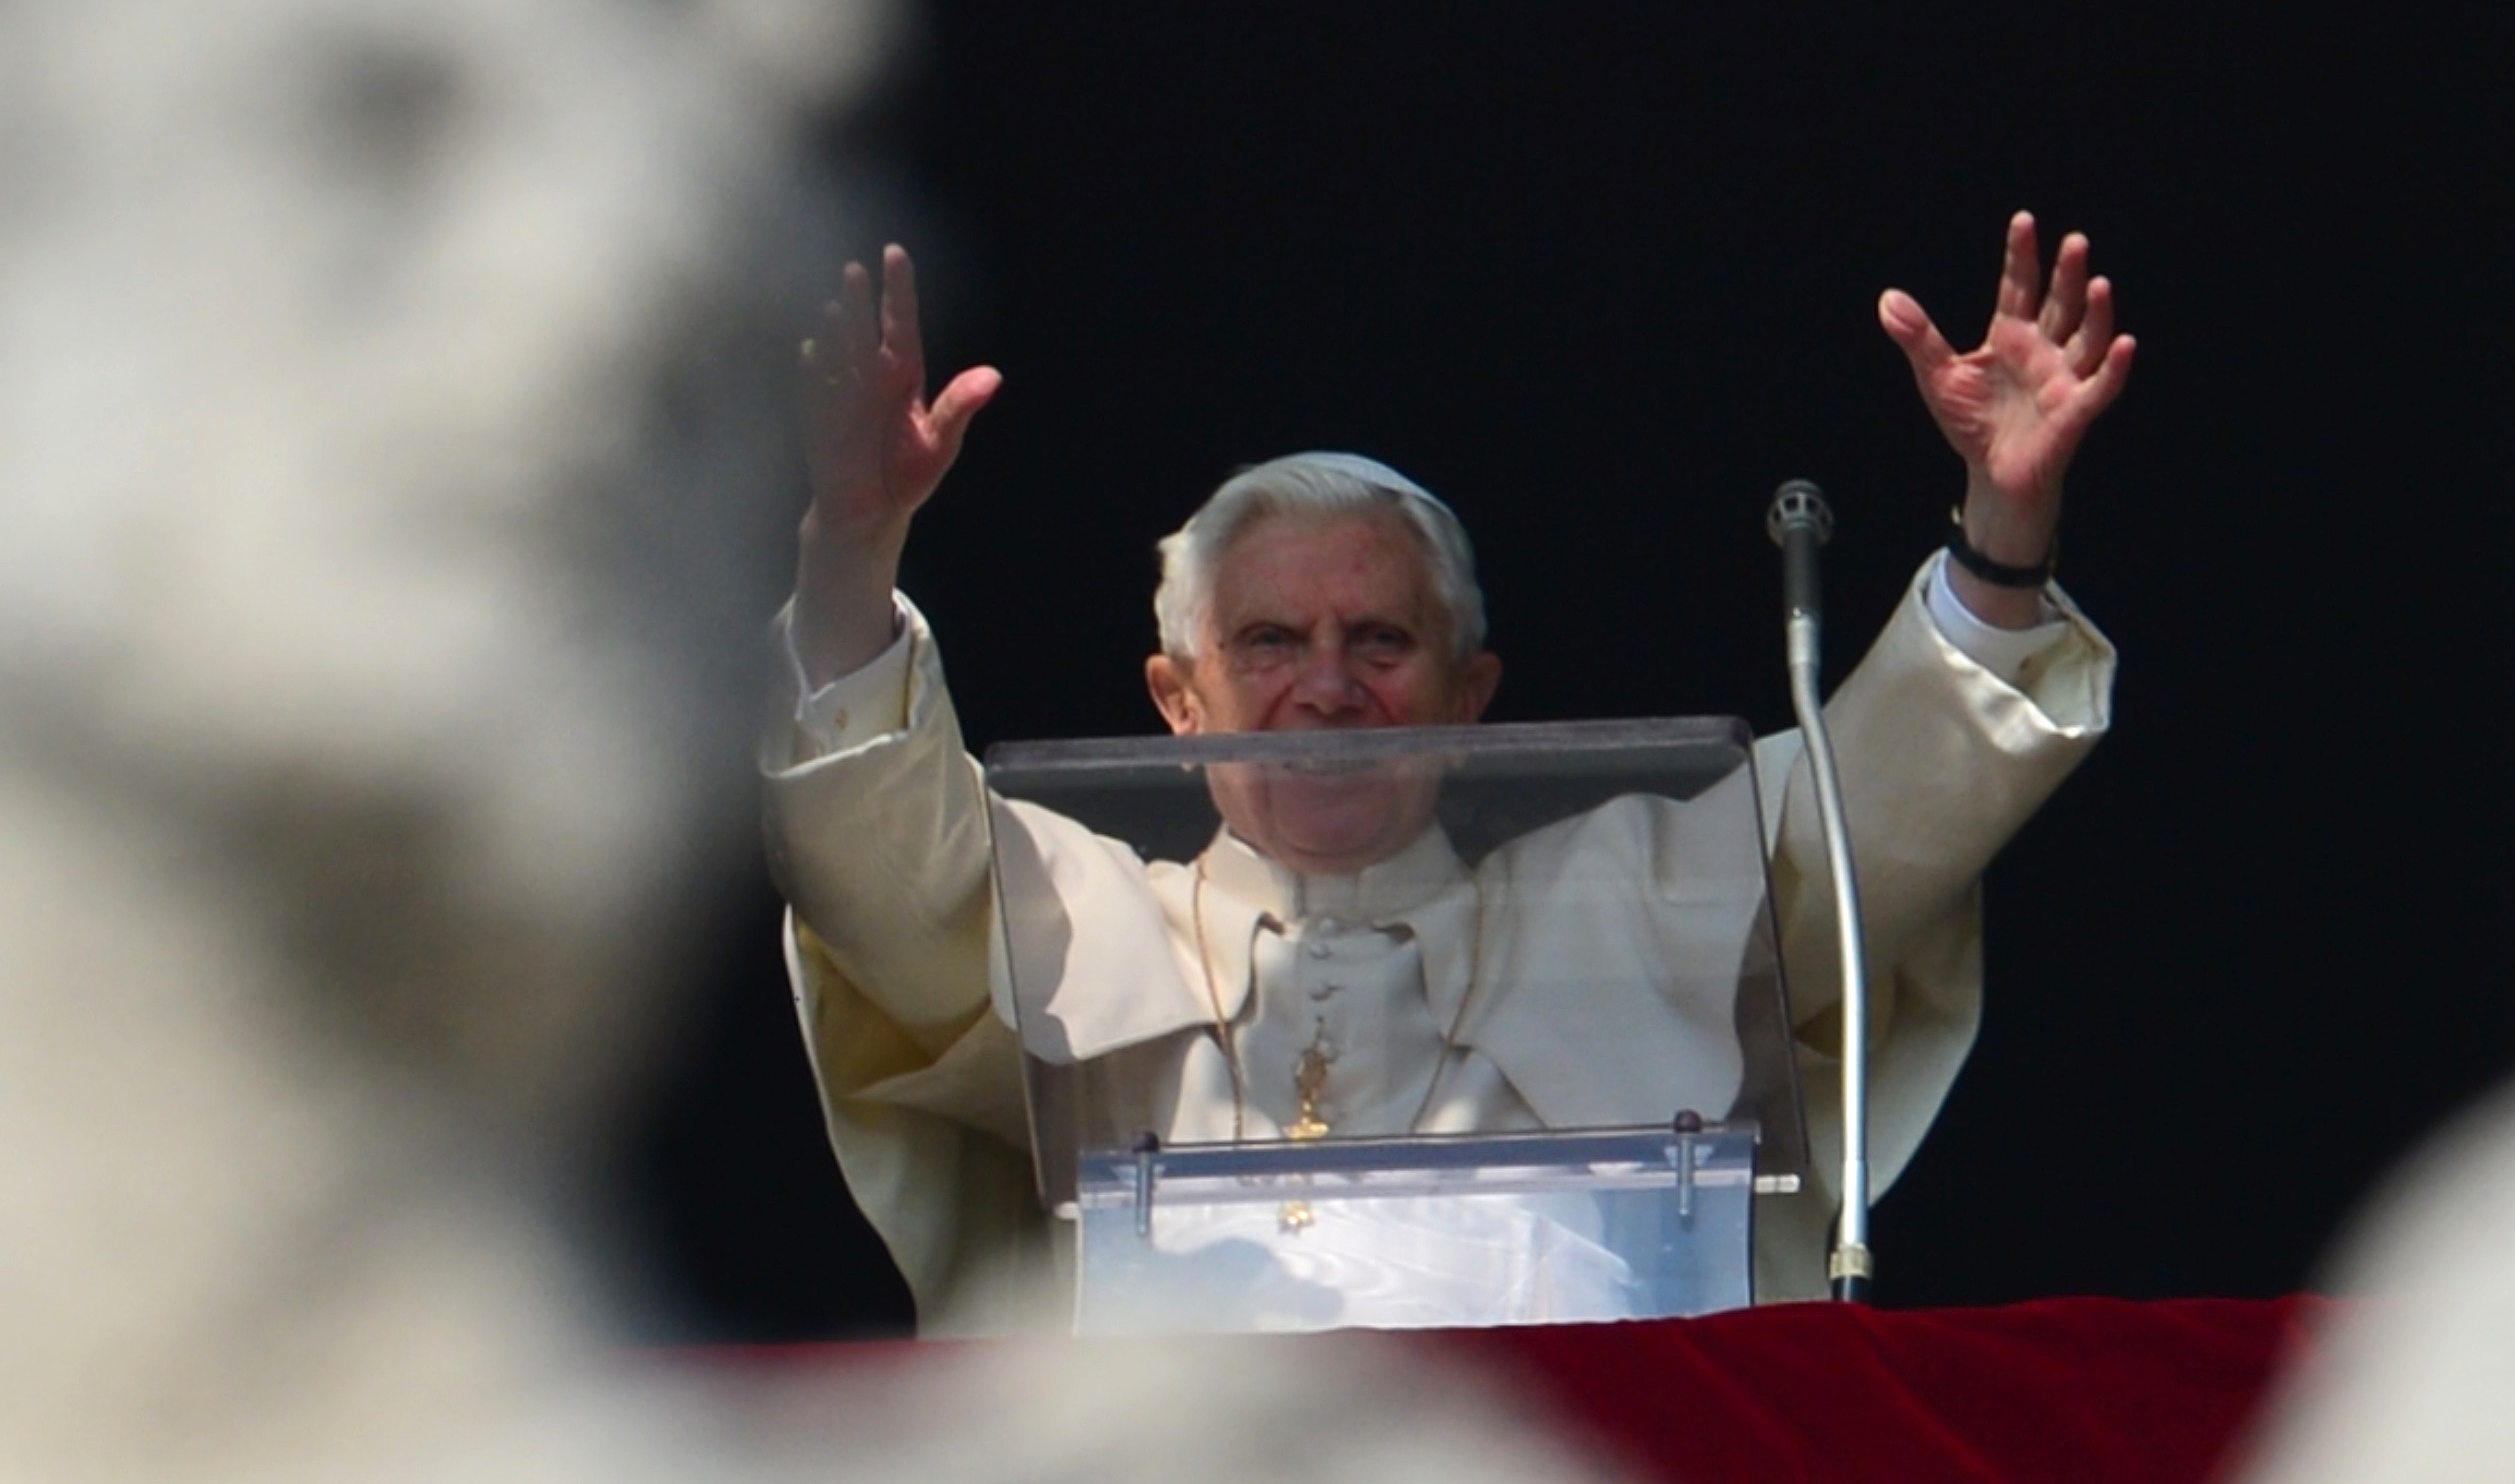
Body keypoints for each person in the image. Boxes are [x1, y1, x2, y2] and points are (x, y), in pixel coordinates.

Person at [761, 222, 2134, 1327]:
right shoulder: (1073, 921)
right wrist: (852, 547)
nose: (1329, 685)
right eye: (1268, 642)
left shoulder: (1631, 901)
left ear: (1469, 696)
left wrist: (2003, 536)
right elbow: (884, 867)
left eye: (1380, 639)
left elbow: (1873, 823)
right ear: (1176, 704)